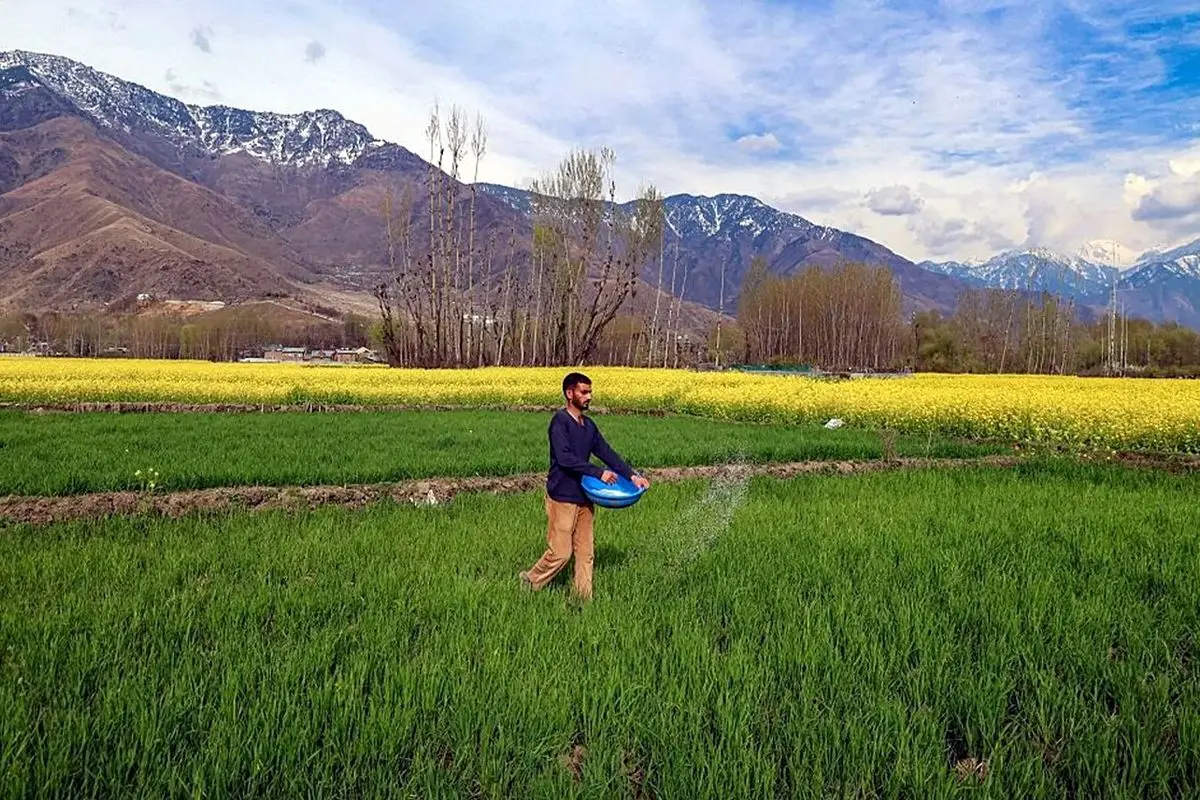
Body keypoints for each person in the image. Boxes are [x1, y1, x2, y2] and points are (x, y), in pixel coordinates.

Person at [519, 372, 650, 601]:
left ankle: (581, 599)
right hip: (562, 496)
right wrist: (599, 472)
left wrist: (632, 476)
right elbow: (564, 457)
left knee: (586, 553)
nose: (589, 396)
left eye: (590, 391)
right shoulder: (560, 422)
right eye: (584, 392)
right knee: (560, 553)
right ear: (570, 394)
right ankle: (530, 582)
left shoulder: (589, 426)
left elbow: (607, 453)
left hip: (585, 497)